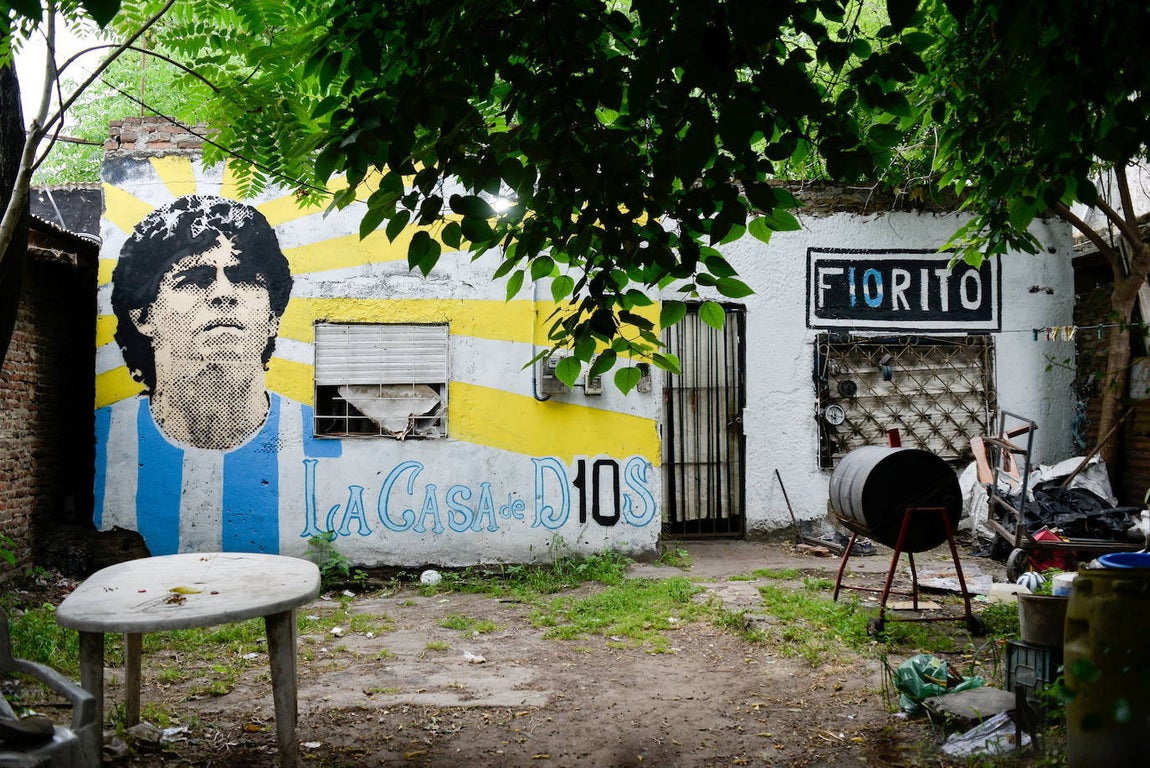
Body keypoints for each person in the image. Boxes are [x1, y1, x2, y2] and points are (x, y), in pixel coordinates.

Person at [94, 195, 340, 556]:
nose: (224, 294)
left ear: (273, 314)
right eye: (195, 279)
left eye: (244, 279)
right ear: (143, 315)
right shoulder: (110, 432)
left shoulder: (314, 430)